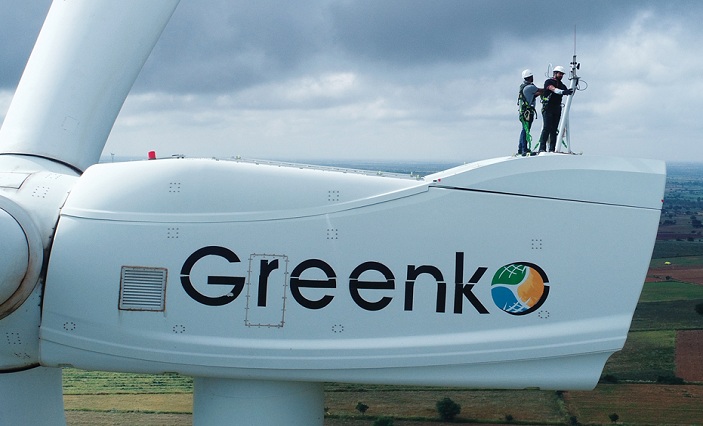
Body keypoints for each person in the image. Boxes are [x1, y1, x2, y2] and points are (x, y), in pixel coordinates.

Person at [537, 65, 573, 152]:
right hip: (548, 107)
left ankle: (552, 149)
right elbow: (553, 89)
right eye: (560, 74)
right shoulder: (548, 82)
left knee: (554, 129)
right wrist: (563, 92)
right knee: (547, 127)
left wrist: (573, 86)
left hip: (557, 108)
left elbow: (568, 92)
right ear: (555, 73)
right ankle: (542, 148)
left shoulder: (562, 85)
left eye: (562, 74)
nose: (561, 75)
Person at [517, 69, 543, 156]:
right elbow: (541, 91)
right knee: (526, 130)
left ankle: (521, 149)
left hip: (523, 112)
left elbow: (534, 95)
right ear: (530, 77)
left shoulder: (523, 87)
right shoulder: (530, 87)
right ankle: (524, 150)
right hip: (528, 112)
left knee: (524, 130)